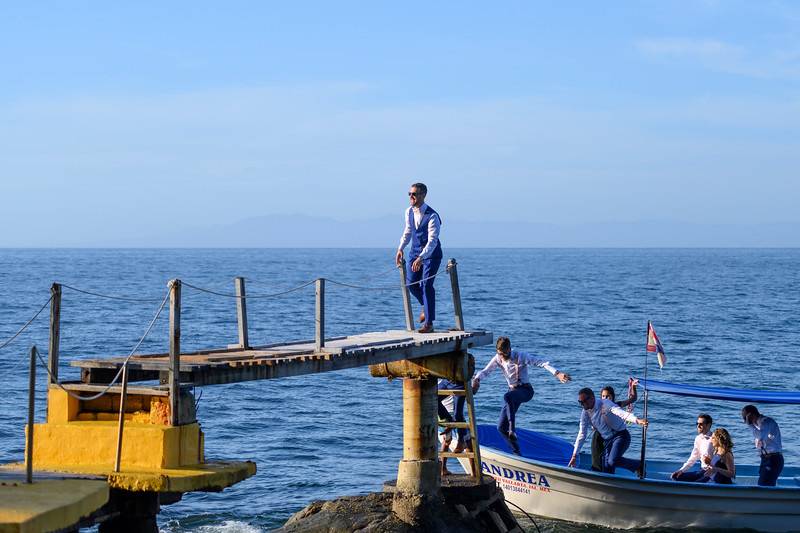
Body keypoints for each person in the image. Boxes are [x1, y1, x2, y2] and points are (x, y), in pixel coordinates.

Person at [471, 336, 571, 454]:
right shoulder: (498, 358)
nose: (502, 356)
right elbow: (486, 371)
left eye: (504, 353)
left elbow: (541, 362)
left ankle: (512, 430)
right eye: (499, 353)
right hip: (512, 392)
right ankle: (516, 452)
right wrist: (477, 379)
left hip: (525, 390)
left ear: (509, 349)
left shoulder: (520, 356)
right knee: (500, 427)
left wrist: (557, 373)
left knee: (507, 397)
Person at [395, 182, 443, 334]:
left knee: (426, 286)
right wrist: (400, 248)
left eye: (414, 194)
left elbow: (432, 241)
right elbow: (408, 231)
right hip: (414, 253)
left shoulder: (432, 216)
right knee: (411, 284)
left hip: (431, 255)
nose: (411, 196)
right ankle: (425, 306)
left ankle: (428, 323)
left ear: (423, 195)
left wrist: (422, 257)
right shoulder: (408, 212)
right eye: (409, 194)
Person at [569, 387, 648, 474]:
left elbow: (621, 413)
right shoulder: (585, 412)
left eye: (584, 401)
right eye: (580, 402)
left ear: (592, 398)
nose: (583, 404)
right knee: (607, 469)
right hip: (607, 440)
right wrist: (574, 455)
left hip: (621, 436)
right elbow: (582, 434)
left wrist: (637, 420)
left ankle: (638, 465)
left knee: (612, 461)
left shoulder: (606, 404)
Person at [590, 380, 638, 471]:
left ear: (612, 397)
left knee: (611, 461)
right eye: (603, 396)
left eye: (608, 396)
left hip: (619, 436)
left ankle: (638, 465)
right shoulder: (599, 407)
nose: (605, 398)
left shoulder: (616, 405)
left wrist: (633, 387)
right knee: (607, 464)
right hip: (607, 437)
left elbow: (633, 399)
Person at [742, 405, 784, 486]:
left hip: (773, 459)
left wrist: (750, 425)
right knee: (765, 484)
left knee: (764, 485)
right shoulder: (758, 425)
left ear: (751, 415)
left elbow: (761, 436)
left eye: (746, 418)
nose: (746, 421)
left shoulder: (766, 422)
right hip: (766, 459)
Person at [437, 378, 470, 475]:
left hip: (459, 383)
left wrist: (475, 381)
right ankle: (443, 468)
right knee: (433, 397)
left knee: (457, 415)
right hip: (448, 380)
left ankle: (461, 441)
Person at [671, 413, 715, 481]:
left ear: (708, 425)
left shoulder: (715, 439)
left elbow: (722, 458)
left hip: (712, 472)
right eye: (697, 423)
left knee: (698, 484)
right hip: (702, 471)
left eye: (701, 424)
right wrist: (681, 470)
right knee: (676, 477)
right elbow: (693, 457)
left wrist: (711, 464)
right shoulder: (698, 438)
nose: (698, 426)